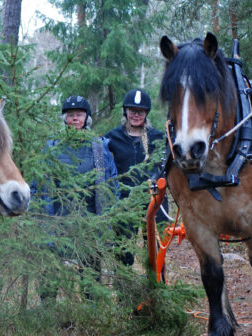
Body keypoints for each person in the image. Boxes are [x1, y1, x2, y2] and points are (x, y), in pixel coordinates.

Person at [36, 95, 119, 300]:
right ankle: (48, 306)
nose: (75, 119)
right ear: (64, 119)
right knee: (50, 263)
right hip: (58, 218)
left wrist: (106, 217)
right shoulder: (52, 146)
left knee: (91, 263)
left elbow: (112, 182)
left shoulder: (100, 147)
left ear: (87, 118)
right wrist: (46, 223)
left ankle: (91, 305)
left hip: (90, 218)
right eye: (70, 115)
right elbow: (39, 186)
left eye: (79, 115)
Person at [103, 88, 166, 265]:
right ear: (126, 111)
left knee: (156, 251)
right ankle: (125, 292)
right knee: (124, 252)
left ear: (146, 113)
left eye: (140, 111)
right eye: (132, 111)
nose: (136, 115)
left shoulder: (158, 138)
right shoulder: (112, 137)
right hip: (125, 202)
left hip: (154, 200)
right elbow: (103, 166)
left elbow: (166, 167)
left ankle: (156, 286)